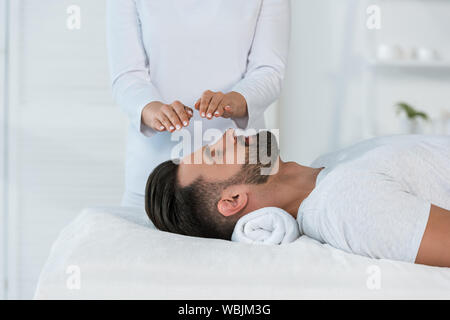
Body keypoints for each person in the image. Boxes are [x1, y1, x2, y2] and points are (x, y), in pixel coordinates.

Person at [145, 129, 450, 267]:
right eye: (215, 153)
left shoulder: (328, 164)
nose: (226, 136)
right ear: (233, 199)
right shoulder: (343, 205)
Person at [106, 0, 291, 207]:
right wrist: (150, 109)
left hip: (242, 174)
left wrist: (237, 99)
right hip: (155, 172)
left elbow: (269, 70)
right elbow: (127, 75)